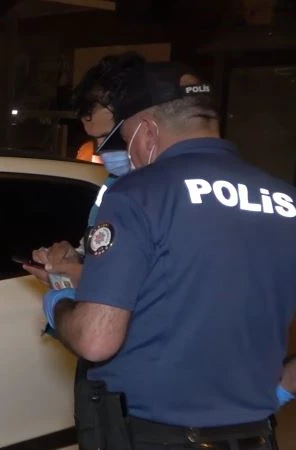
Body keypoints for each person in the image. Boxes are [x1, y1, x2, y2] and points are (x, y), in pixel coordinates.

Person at [39, 61, 296, 449]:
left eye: (124, 139)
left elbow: (96, 339)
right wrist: (281, 390)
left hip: (156, 437)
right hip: (256, 435)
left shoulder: (138, 194)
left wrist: (58, 301)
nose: (124, 154)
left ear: (147, 130)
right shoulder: (286, 200)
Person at [26, 51, 146, 287]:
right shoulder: (113, 184)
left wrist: (84, 279)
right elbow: (100, 250)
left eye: (107, 136)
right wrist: (73, 257)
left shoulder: (173, 193)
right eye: (94, 138)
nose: (100, 149)